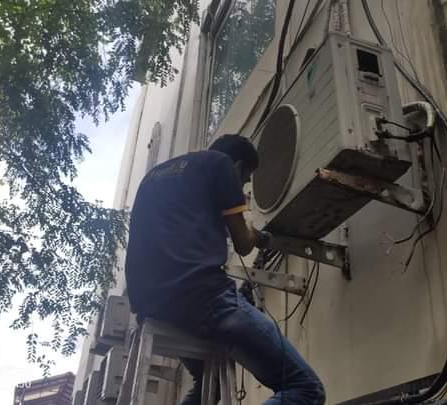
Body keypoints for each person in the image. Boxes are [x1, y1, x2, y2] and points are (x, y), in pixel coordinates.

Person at [125, 134, 325, 405]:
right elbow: (243, 244)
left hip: (153, 306)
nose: (241, 186)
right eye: (244, 180)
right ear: (238, 166)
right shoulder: (220, 164)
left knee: (209, 385)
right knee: (306, 388)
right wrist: (255, 233)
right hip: (204, 299)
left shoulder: (153, 177)